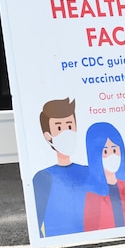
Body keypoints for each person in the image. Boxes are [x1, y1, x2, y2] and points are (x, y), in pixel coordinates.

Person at [32, 98, 89, 236]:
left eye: (69, 126)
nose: (66, 132)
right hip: (58, 242)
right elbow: (36, 223)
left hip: (93, 238)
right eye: (58, 128)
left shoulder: (88, 171)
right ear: (48, 136)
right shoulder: (42, 178)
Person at [83, 122, 125, 231]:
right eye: (105, 151)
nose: (111, 156)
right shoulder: (93, 193)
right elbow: (89, 231)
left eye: (114, 150)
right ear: (95, 156)